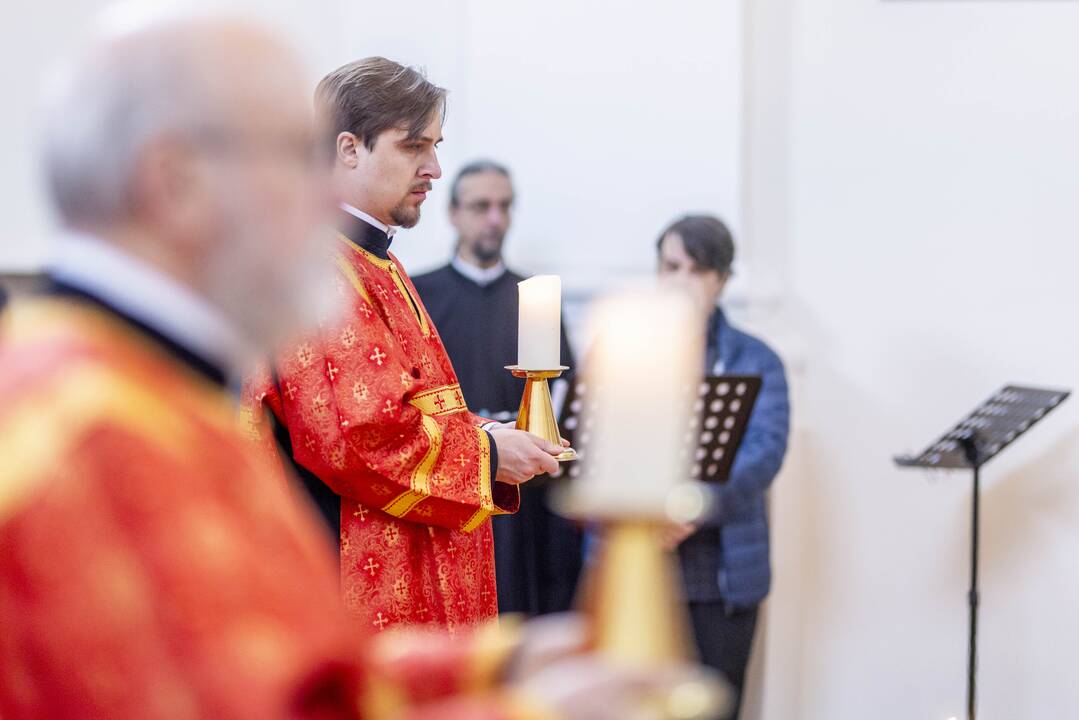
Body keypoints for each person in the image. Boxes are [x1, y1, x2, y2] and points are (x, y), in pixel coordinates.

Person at [0, 11, 696, 719]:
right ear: (173, 181)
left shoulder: (142, 384)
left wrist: (500, 664)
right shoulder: (71, 434)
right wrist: (526, 710)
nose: (309, 189)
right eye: (287, 153)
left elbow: (287, 659)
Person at [256, 59, 566, 635]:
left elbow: (414, 406)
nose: (435, 168)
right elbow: (359, 438)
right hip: (350, 576)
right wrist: (490, 458)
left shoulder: (373, 259)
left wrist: (487, 433)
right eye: (413, 147)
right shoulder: (319, 268)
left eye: (435, 146)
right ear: (349, 149)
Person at [412, 160, 583, 616]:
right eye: (481, 206)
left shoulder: (535, 299)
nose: (494, 218)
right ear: (452, 213)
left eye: (504, 206)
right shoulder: (417, 293)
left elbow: (563, 393)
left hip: (523, 498)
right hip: (451, 486)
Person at [657, 215, 790, 720]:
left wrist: (691, 506)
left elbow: (764, 454)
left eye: (696, 270)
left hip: (725, 577)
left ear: (722, 280)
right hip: (644, 564)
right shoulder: (628, 351)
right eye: (670, 267)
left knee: (717, 710)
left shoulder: (758, 360)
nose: (680, 282)